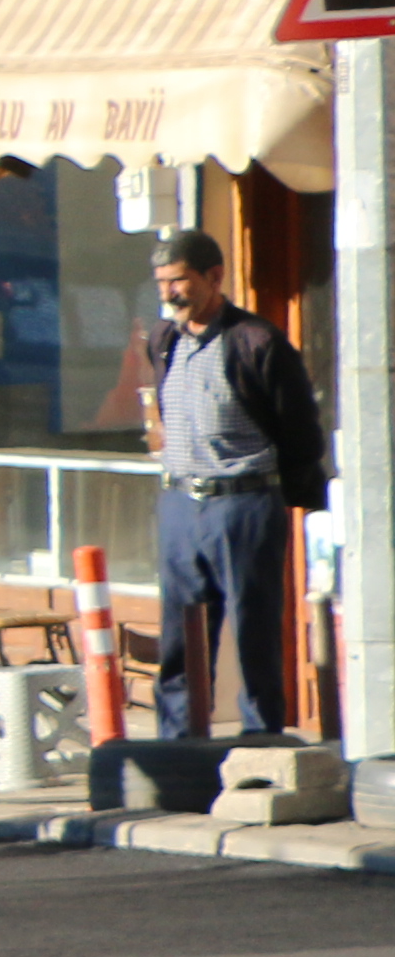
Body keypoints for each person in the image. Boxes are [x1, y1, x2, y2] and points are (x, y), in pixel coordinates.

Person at [139, 226, 329, 744]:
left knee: (253, 627)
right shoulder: (163, 341)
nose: (168, 293)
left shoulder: (256, 341)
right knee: (180, 631)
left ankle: (261, 739)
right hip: (181, 499)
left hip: (243, 500)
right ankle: (179, 743)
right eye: (161, 282)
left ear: (214, 276)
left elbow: (300, 430)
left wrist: (298, 494)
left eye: (178, 281)